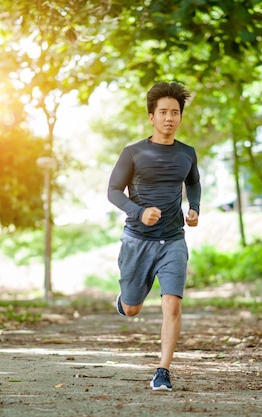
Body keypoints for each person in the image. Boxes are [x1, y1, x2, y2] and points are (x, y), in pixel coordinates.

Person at [107, 81, 201, 391]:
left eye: (175, 112)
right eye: (163, 112)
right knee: (132, 309)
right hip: (137, 240)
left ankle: (163, 370)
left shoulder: (187, 153)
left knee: (172, 304)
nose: (169, 118)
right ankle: (125, 301)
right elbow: (112, 192)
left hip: (173, 240)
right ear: (151, 117)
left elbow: (193, 184)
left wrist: (195, 209)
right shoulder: (133, 153)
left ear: (180, 117)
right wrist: (138, 211)